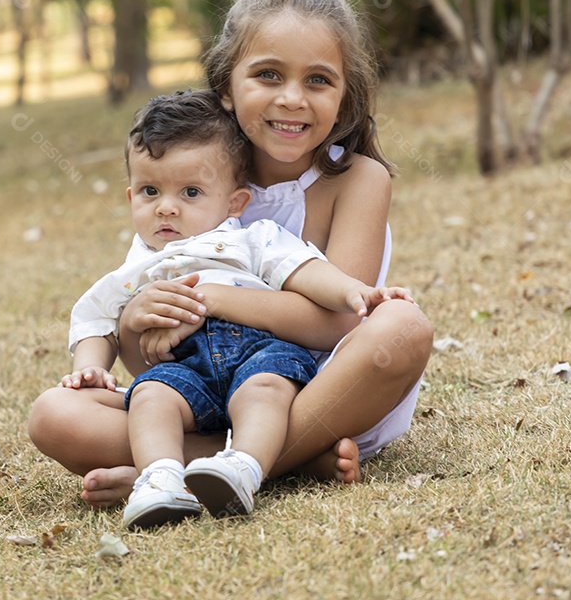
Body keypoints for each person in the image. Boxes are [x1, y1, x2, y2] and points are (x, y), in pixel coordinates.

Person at [28, 0, 433, 509]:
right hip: (203, 395)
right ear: (225, 85)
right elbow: (146, 360)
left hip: (324, 394)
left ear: (344, 96)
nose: (292, 99)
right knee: (54, 415)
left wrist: (212, 299)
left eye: (318, 80)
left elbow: (338, 323)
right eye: (268, 74)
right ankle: (265, 465)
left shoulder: (357, 180)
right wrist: (134, 320)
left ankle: (178, 472)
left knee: (402, 329)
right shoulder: (189, 184)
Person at [63, 90, 414, 529]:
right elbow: (94, 315)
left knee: (265, 391)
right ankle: (160, 478)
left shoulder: (251, 238)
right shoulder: (140, 265)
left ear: (234, 203)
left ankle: (244, 466)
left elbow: (303, 270)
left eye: (191, 192)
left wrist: (354, 293)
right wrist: (92, 366)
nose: (166, 206)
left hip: (259, 354)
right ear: (131, 196)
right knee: (149, 397)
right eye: (151, 192)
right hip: (185, 372)